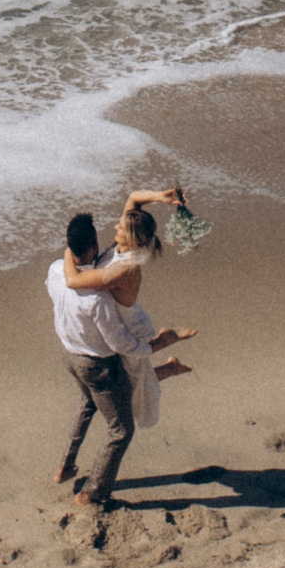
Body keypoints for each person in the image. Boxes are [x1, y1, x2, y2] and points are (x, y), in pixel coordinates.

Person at [62, 188, 197, 429]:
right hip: (120, 319)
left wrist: (67, 251)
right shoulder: (125, 247)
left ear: (131, 238)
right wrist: (161, 198)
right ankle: (169, 361)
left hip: (128, 325)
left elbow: (73, 281)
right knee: (133, 380)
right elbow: (134, 197)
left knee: (135, 386)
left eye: (121, 228)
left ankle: (165, 344)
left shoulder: (124, 269)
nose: (116, 228)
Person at [47, 211, 151, 508]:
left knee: (87, 403)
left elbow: (71, 265)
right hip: (97, 366)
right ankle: (92, 493)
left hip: (69, 354)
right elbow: (120, 343)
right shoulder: (97, 298)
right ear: (93, 247)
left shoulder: (55, 270)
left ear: (69, 244)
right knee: (121, 430)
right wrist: (152, 346)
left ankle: (65, 466)